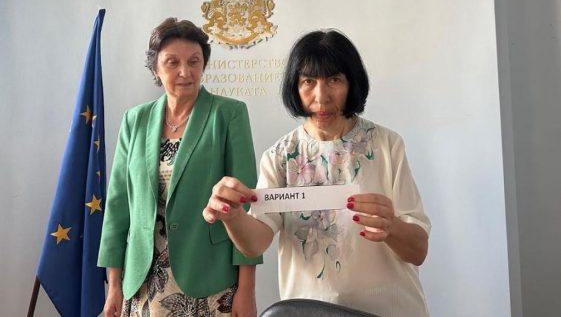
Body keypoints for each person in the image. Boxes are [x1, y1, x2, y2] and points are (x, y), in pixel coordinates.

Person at [203, 29, 431, 316]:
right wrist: (233, 216)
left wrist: (392, 227)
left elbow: (418, 251)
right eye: (308, 81)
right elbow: (256, 243)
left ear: (352, 83)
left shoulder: (387, 146)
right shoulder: (281, 156)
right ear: (295, 86)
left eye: (334, 80)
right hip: (309, 310)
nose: (321, 97)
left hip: (388, 309)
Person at [98, 18, 261, 317]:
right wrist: (114, 286)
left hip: (211, 279)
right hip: (144, 281)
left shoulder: (229, 114)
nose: (185, 72)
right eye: (173, 62)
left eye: (194, 61)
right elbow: (118, 208)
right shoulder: (135, 120)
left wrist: (247, 290)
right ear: (155, 69)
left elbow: (244, 208)